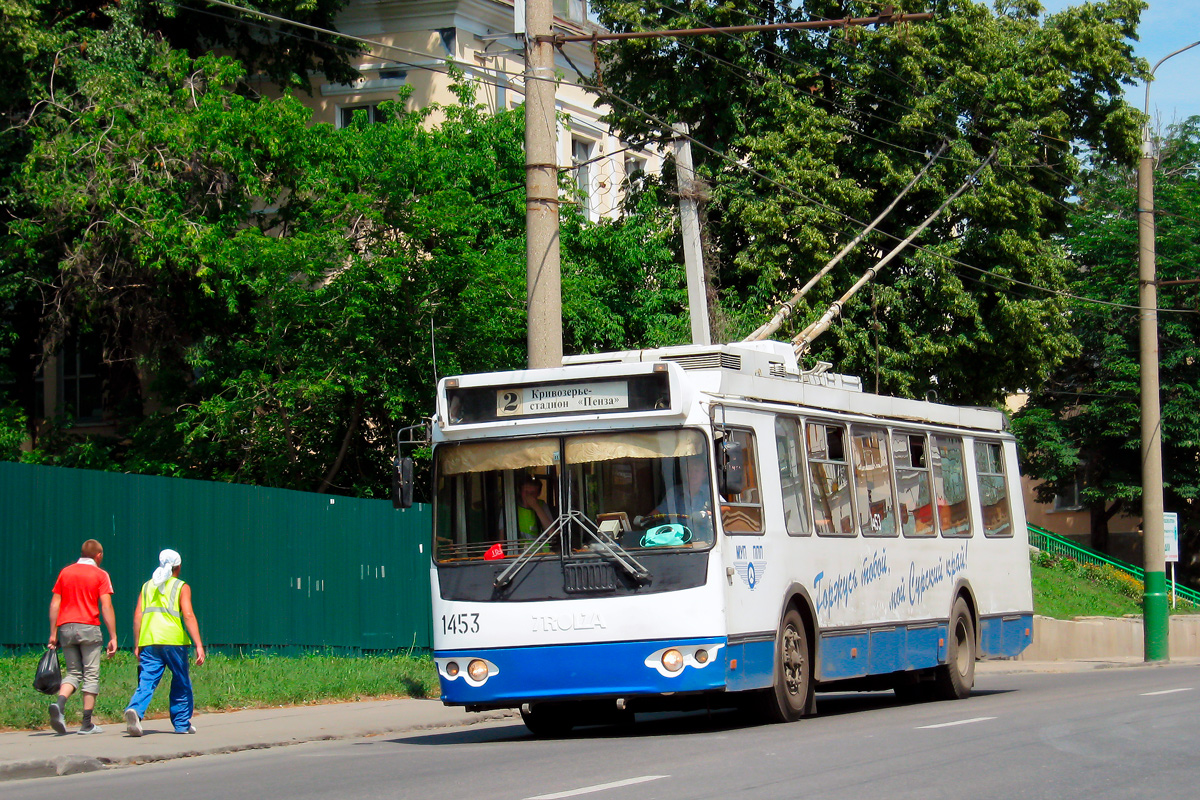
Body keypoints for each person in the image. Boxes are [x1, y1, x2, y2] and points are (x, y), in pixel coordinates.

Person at [123, 549, 206, 736]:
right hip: (174, 641)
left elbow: (138, 616)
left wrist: (137, 644)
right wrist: (198, 644)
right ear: (179, 566)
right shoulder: (181, 586)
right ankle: (181, 724)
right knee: (181, 681)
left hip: (149, 640)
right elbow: (188, 615)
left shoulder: (146, 586)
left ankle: (135, 710)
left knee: (147, 681)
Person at [47, 539, 118, 735]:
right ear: (99, 555)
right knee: (91, 674)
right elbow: (106, 606)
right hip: (89, 628)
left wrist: (53, 633)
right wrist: (113, 635)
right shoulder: (100, 574)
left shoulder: (65, 572)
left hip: (66, 628)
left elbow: (55, 604)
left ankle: (60, 705)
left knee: (73, 673)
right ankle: (86, 723)